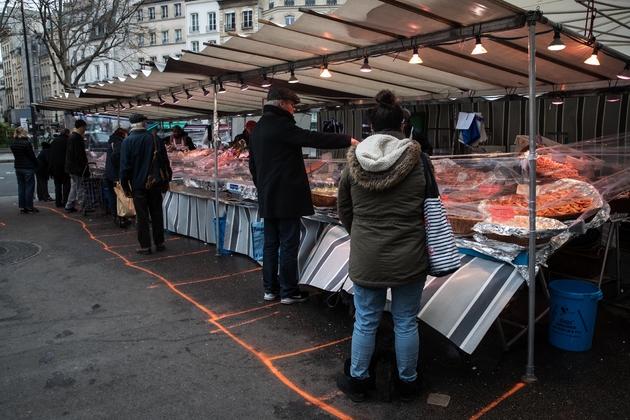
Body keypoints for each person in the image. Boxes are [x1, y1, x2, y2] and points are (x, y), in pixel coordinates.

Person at [336, 90, 430, 402]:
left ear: (371, 127)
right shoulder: (420, 161)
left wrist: (362, 234)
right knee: (406, 322)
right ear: (403, 125)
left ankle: (360, 382)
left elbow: (344, 209)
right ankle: (407, 383)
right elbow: (431, 207)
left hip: (367, 257)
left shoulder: (354, 162)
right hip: (410, 256)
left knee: (365, 321)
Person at [248, 87, 359, 305]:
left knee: (271, 244)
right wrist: (347, 140)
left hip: (268, 196)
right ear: (281, 103)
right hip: (286, 197)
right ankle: (289, 291)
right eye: (292, 104)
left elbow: (253, 166)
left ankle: (270, 289)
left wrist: (262, 188)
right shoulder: (281, 125)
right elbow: (312, 138)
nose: (294, 109)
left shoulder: (259, 128)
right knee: (288, 243)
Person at [120, 113, 171, 255]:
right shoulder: (154, 138)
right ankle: (159, 242)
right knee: (156, 212)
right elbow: (165, 161)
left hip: (137, 185)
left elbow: (124, 167)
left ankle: (145, 246)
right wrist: (166, 180)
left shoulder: (127, 141)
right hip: (155, 183)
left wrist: (125, 186)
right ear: (143, 123)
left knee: (141, 216)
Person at [10, 126, 39, 214]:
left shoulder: (13, 143)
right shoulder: (26, 143)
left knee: (21, 187)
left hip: (18, 167)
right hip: (28, 167)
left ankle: (22, 207)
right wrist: (37, 164)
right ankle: (29, 206)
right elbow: (31, 156)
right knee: (29, 187)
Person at [104, 127, 129, 225]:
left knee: (113, 196)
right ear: (122, 134)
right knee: (119, 196)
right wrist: (120, 170)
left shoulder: (111, 141)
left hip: (109, 174)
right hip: (114, 175)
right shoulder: (119, 142)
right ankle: (120, 216)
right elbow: (116, 156)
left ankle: (115, 215)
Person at [65, 119, 90, 213]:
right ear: (80, 127)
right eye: (84, 127)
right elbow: (78, 155)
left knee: (75, 186)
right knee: (80, 188)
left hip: (72, 167)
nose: (85, 129)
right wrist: (84, 165)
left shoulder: (73, 137)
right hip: (77, 168)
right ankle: (82, 206)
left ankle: (69, 204)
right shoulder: (76, 138)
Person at [48, 128, 72, 208]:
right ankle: (66, 201)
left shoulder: (54, 141)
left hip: (55, 167)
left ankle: (58, 201)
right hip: (65, 166)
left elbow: (51, 154)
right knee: (66, 184)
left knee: (57, 185)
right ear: (68, 133)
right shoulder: (68, 141)